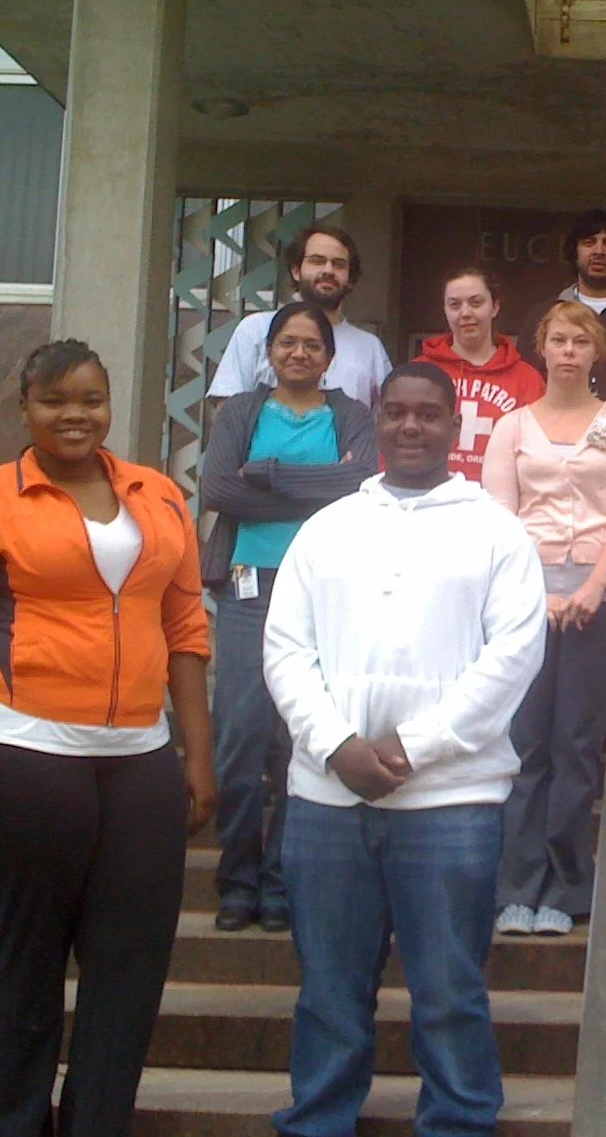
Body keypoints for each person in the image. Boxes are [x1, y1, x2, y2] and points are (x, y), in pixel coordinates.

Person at [0, 339, 216, 1136]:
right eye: (55, 400)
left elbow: (185, 628)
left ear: (110, 404)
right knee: (24, 964)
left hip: (138, 760)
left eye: (90, 399)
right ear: (25, 409)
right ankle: (10, 1124)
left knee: (131, 967)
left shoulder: (156, 496)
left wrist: (197, 754)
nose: (74, 415)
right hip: (16, 753)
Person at [262, 361, 547, 1137]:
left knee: (450, 990)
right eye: (396, 414)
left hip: (451, 803)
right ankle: (318, 1121)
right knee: (328, 989)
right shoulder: (329, 528)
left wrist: (412, 748)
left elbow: (513, 658)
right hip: (327, 801)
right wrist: (336, 745)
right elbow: (286, 649)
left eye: (428, 414)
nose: (411, 427)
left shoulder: (495, 529)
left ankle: (458, 1123)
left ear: (455, 430)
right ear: (377, 423)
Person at [200, 301, 379, 933]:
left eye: (312, 344)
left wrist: (270, 475)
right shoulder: (243, 411)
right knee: (241, 734)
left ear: (330, 358)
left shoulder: (353, 416)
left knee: (298, 739)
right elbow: (218, 489)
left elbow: (359, 486)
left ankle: (279, 880)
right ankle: (237, 879)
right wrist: (315, 484)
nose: (298, 353)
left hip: (325, 591)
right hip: (249, 587)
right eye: (287, 343)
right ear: (269, 351)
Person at [484, 300, 606, 936]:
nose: (570, 350)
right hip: (525, 601)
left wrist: (595, 584)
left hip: (597, 602)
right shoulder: (513, 426)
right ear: (542, 348)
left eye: (582, 340)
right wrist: (537, 593)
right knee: (525, 744)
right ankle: (517, 885)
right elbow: (501, 514)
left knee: (577, 746)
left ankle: (567, 886)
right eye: (559, 339)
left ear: (596, 351)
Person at [208, 222, 393, 411]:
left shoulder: (370, 348)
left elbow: (384, 420)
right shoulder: (255, 330)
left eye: (338, 264)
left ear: (350, 279)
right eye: (317, 261)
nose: (328, 270)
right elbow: (227, 412)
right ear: (296, 271)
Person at [514, 209, 606, 414]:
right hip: (554, 433)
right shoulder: (544, 313)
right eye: (589, 242)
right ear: (574, 252)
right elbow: (523, 378)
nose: (599, 251)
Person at [414, 266, 545, 481]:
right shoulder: (419, 373)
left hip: (499, 504)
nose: (465, 313)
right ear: (445, 310)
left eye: (476, 303)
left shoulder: (528, 380)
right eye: (455, 305)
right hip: (428, 501)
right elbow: (394, 446)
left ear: (495, 306)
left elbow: (540, 456)